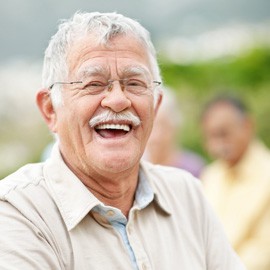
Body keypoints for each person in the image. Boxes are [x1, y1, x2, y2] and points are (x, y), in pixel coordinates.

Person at [0, 12, 245, 270]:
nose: (117, 100)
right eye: (93, 84)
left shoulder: (186, 194)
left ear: (156, 105)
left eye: (135, 83)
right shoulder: (18, 212)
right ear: (50, 110)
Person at [200, 94, 270, 270]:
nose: (216, 145)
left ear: (247, 126)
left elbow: (263, 252)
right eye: (210, 137)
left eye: (223, 134)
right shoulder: (211, 176)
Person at [144, 87, 205, 178]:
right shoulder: (135, 168)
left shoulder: (193, 169)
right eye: (151, 126)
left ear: (175, 127)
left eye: (163, 126)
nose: (156, 136)